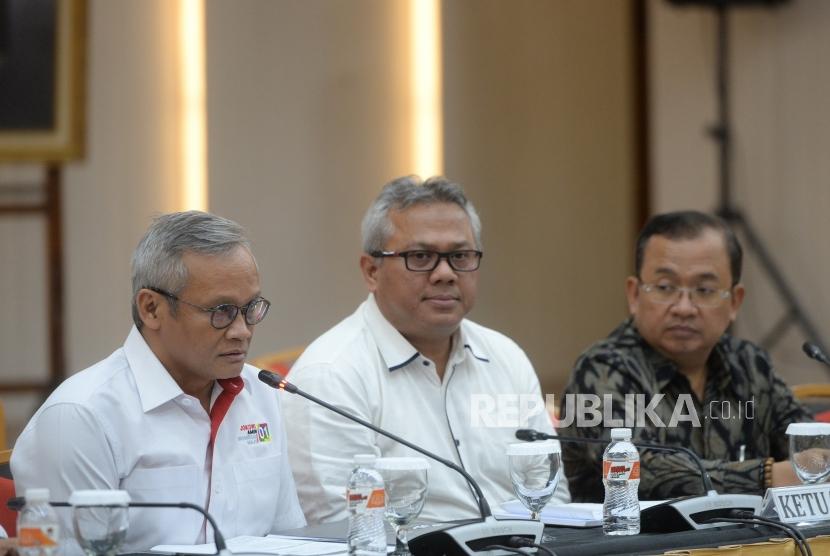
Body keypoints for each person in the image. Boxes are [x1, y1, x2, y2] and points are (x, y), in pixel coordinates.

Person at [282, 176, 569, 524]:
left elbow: (552, 498)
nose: (446, 273)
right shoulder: (331, 375)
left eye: (460, 256)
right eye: (421, 257)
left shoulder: (505, 357)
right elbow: (346, 527)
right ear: (371, 271)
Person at [12, 211, 305, 551]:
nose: (242, 331)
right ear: (152, 308)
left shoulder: (262, 393)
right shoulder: (80, 417)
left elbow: (291, 540)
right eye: (220, 312)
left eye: (251, 307)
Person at [560, 210, 812, 502]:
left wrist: (817, 458)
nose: (683, 307)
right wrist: (765, 476)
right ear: (634, 295)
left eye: (704, 290)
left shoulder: (750, 365)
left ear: (734, 301)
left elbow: (806, 445)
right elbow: (636, 467)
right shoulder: (603, 369)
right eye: (665, 287)